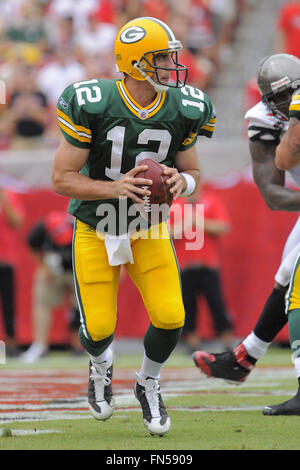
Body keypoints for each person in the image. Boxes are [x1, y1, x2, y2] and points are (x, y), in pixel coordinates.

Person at [51, 16, 216, 436]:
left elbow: (194, 172)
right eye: (162, 57)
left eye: (170, 56)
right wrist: (114, 187)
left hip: (148, 226)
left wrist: (185, 180)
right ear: (135, 62)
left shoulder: (184, 106)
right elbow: (61, 179)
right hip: (96, 225)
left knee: (170, 316)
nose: (172, 65)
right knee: (98, 329)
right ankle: (101, 366)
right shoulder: (94, 100)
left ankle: (148, 382)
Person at [193, 53, 300, 416]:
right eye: (278, 98)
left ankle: (245, 359)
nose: (286, 105)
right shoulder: (264, 119)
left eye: (292, 95)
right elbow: (272, 193)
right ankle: (245, 359)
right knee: (289, 276)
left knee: (292, 277)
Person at [169, 186, 234, 353]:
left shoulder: (211, 201)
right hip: (185, 264)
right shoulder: (175, 205)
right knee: (187, 305)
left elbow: (223, 226)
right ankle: (192, 343)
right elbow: (166, 232)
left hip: (208, 263)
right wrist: (184, 224)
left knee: (217, 303)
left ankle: (226, 340)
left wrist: (198, 222)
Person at [20, 211, 82, 363]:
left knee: (89, 306)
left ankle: (96, 346)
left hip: (79, 268)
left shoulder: (81, 227)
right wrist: (42, 266)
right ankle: (39, 345)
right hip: (54, 270)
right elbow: (32, 244)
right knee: (41, 301)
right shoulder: (43, 228)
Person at [0, 186, 25, 356]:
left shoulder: (9, 194)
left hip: (5, 259)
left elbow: (18, 222)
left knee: (8, 303)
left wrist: (5, 201)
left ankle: (11, 342)